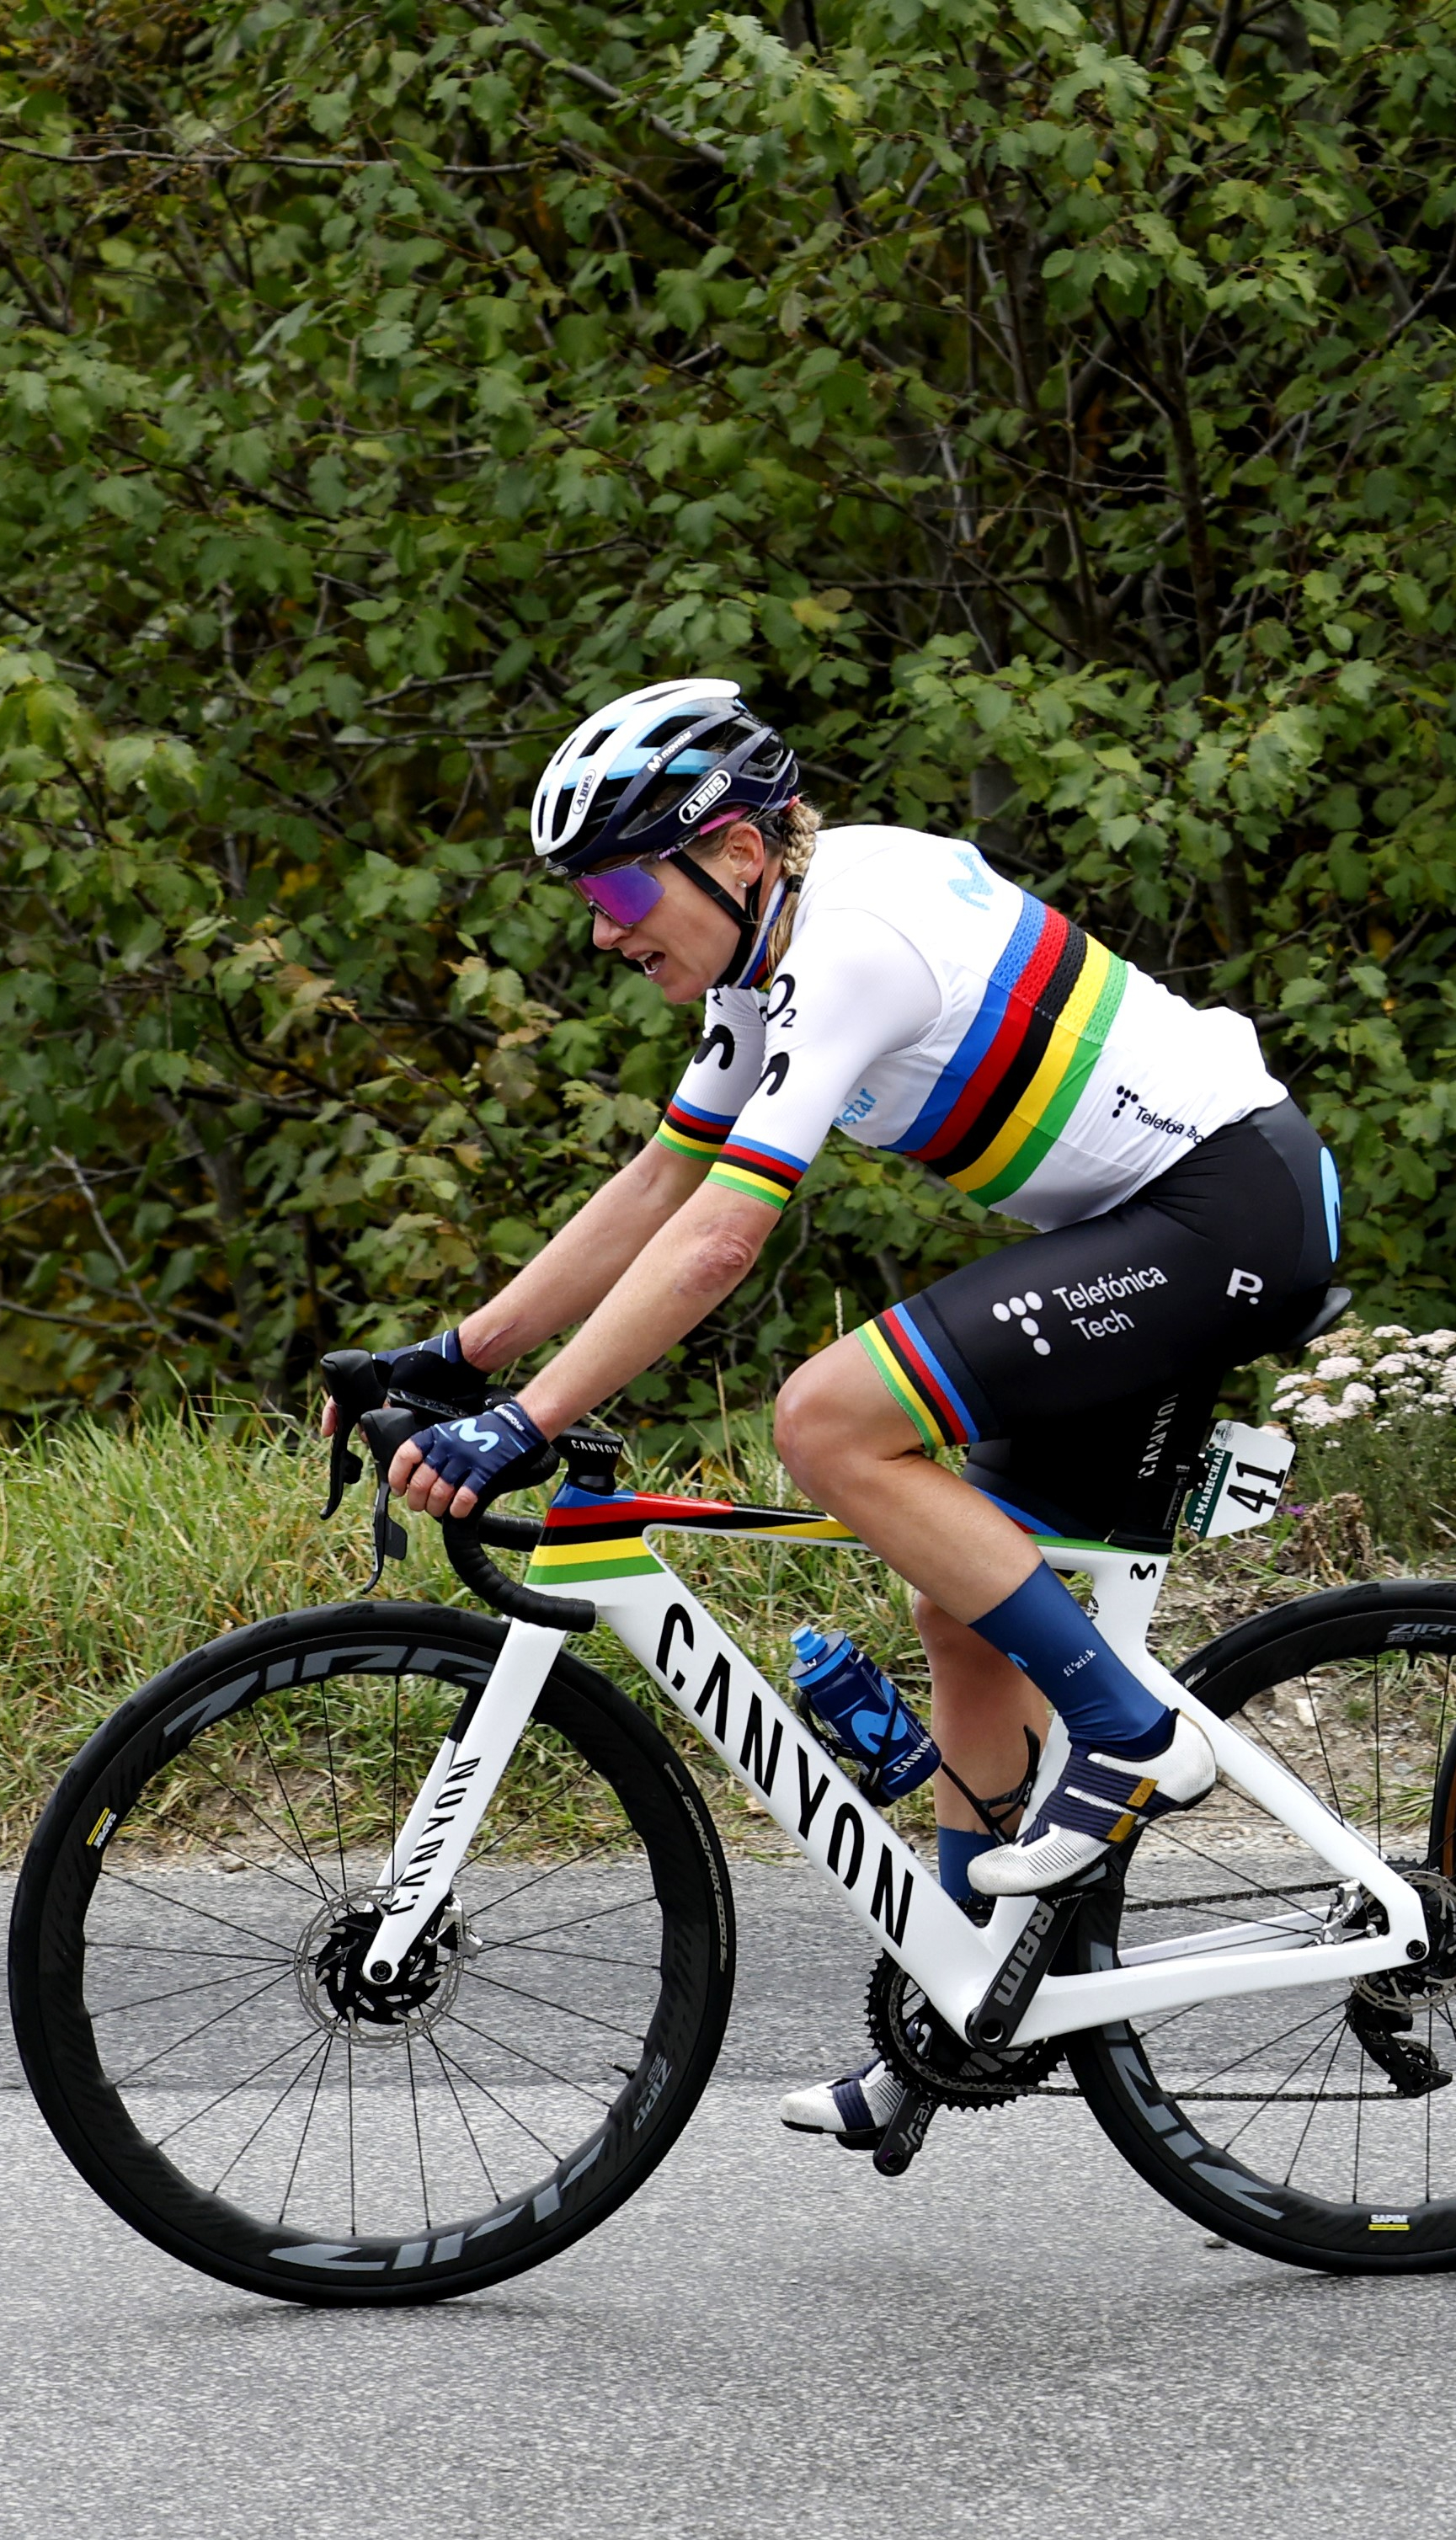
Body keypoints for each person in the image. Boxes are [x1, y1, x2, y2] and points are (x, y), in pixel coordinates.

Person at [350, 679, 1341, 2142]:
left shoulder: (851, 943)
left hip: (1223, 1207)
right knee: (968, 1597)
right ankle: (968, 2008)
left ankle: (1127, 1732)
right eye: (590, 897)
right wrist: (463, 1353)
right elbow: (659, 1182)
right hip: (1171, 1217)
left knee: (823, 1420)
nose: (608, 929)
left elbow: (720, 1241)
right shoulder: (770, 957)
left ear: (738, 851)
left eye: (624, 884)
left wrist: (530, 1419)